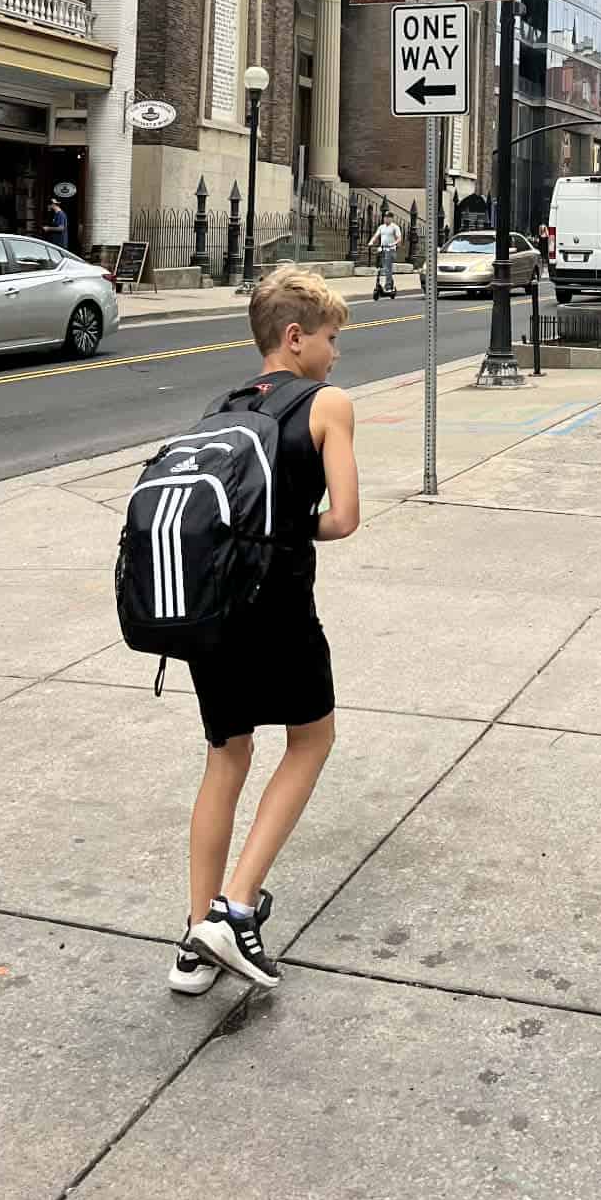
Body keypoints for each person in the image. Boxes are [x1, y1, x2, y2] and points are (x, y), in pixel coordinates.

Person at [171, 267, 360, 997]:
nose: (336, 354)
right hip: (276, 605)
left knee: (226, 758)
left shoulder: (222, 406)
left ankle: (194, 943)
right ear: (296, 337)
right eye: (332, 338)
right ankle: (238, 907)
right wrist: (283, 530)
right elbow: (343, 518)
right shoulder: (327, 404)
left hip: (208, 607)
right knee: (311, 739)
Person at [368, 212, 402, 298]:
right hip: (382, 249)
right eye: (385, 217)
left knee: (387, 268)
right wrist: (371, 242)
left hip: (390, 250)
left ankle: (388, 286)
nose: (386, 219)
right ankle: (387, 283)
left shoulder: (395, 227)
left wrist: (393, 243)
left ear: (391, 218)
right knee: (380, 268)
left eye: (388, 217)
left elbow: (399, 239)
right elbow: (376, 235)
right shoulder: (381, 227)